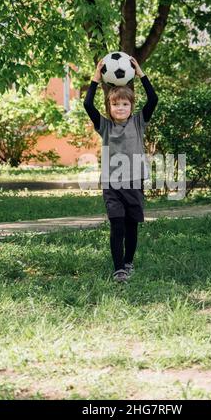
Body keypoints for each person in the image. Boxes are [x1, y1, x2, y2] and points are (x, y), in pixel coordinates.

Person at [83, 56, 158, 283]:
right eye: (115, 104)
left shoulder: (138, 122)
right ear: (109, 107)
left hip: (134, 182)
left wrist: (141, 74)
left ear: (131, 106)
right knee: (117, 224)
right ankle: (118, 269)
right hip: (112, 183)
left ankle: (128, 262)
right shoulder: (104, 126)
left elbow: (153, 99)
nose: (120, 108)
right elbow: (87, 105)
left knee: (131, 225)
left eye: (125, 104)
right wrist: (96, 79)